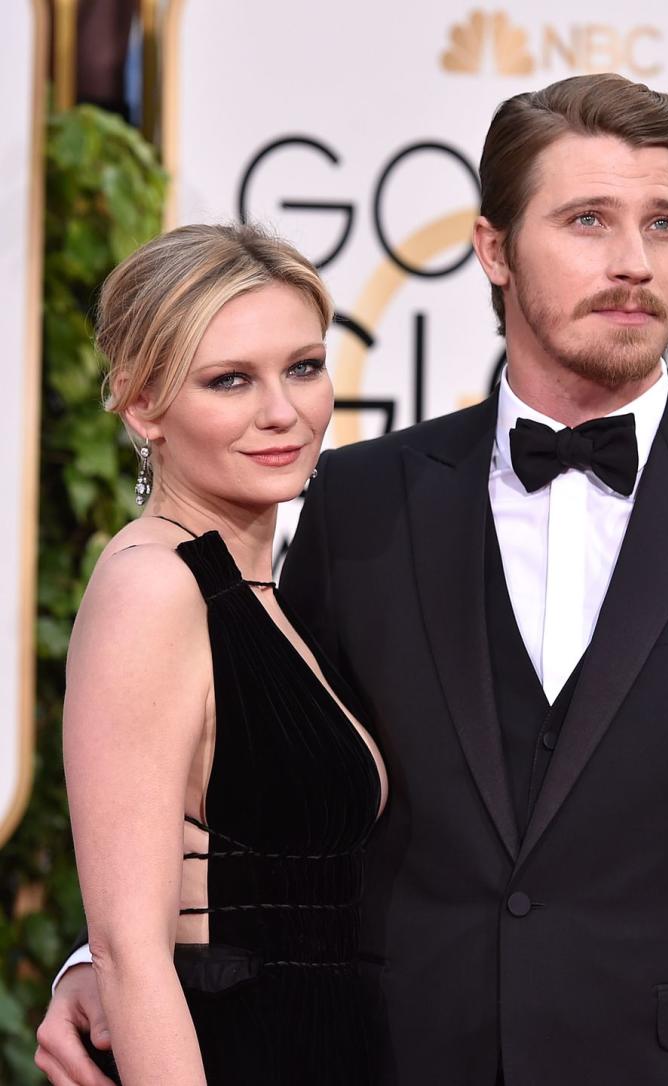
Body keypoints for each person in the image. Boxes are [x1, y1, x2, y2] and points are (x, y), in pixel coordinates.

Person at [38, 74, 668, 1086]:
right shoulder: (361, 498)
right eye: (589, 220)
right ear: (493, 249)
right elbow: (262, 794)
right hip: (393, 1061)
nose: (633, 261)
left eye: (665, 223)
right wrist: (102, 961)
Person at [38, 223, 387, 1086]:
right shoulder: (153, 587)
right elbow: (131, 951)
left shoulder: (258, 591)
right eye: (230, 380)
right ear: (141, 403)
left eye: (303, 367)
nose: (283, 411)